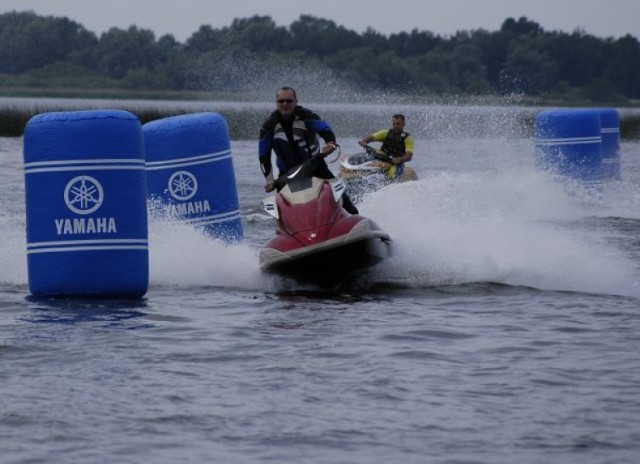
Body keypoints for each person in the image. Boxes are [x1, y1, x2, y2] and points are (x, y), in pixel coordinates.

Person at [258, 86, 358, 214]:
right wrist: (269, 180)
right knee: (280, 209)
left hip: (315, 166)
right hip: (287, 173)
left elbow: (325, 129)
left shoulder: (306, 116)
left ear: (296, 101)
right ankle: (286, 228)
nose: (285, 104)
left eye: (289, 101)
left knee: (339, 191)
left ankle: (355, 217)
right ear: (276, 103)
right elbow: (263, 154)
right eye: (281, 101)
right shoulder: (269, 125)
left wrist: (330, 144)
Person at [358, 114, 414, 179]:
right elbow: (370, 138)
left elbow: (409, 156)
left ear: (403, 124)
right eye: (394, 124)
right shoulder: (386, 133)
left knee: (392, 174)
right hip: (382, 158)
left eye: (398, 124)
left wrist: (399, 159)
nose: (396, 126)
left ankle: (389, 183)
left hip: (396, 164)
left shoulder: (408, 139)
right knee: (369, 162)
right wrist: (364, 142)